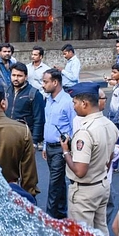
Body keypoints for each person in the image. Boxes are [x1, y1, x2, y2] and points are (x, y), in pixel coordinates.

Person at [61, 82, 118, 236]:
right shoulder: (109, 125)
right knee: (101, 233)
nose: (73, 107)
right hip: (102, 184)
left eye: (75, 102)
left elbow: (80, 171)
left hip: (84, 192)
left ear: (84, 103)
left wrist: (66, 151)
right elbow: (110, 157)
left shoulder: (85, 132)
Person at [0, 82, 39, 196]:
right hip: (11, 193)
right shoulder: (22, 130)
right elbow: (28, 174)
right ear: (3, 103)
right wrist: (29, 197)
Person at [41, 68, 76, 219]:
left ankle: (50, 217)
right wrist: (44, 146)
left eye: (45, 82)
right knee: (59, 181)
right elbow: (47, 123)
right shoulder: (48, 100)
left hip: (60, 149)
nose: (43, 85)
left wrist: (67, 147)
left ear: (55, 82)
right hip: (49, 147)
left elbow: (74, 127)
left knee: (54, 184)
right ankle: (61, 214)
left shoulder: (67, 102)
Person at [5, 62, 45, 146]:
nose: (16, 78)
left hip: (25, 137)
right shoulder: (7, 91)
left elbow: (39, 119)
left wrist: (34, 141)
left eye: (19, 76)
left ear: (26, 77)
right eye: (13, 75)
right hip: (8, 135)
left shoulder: (34, 94)